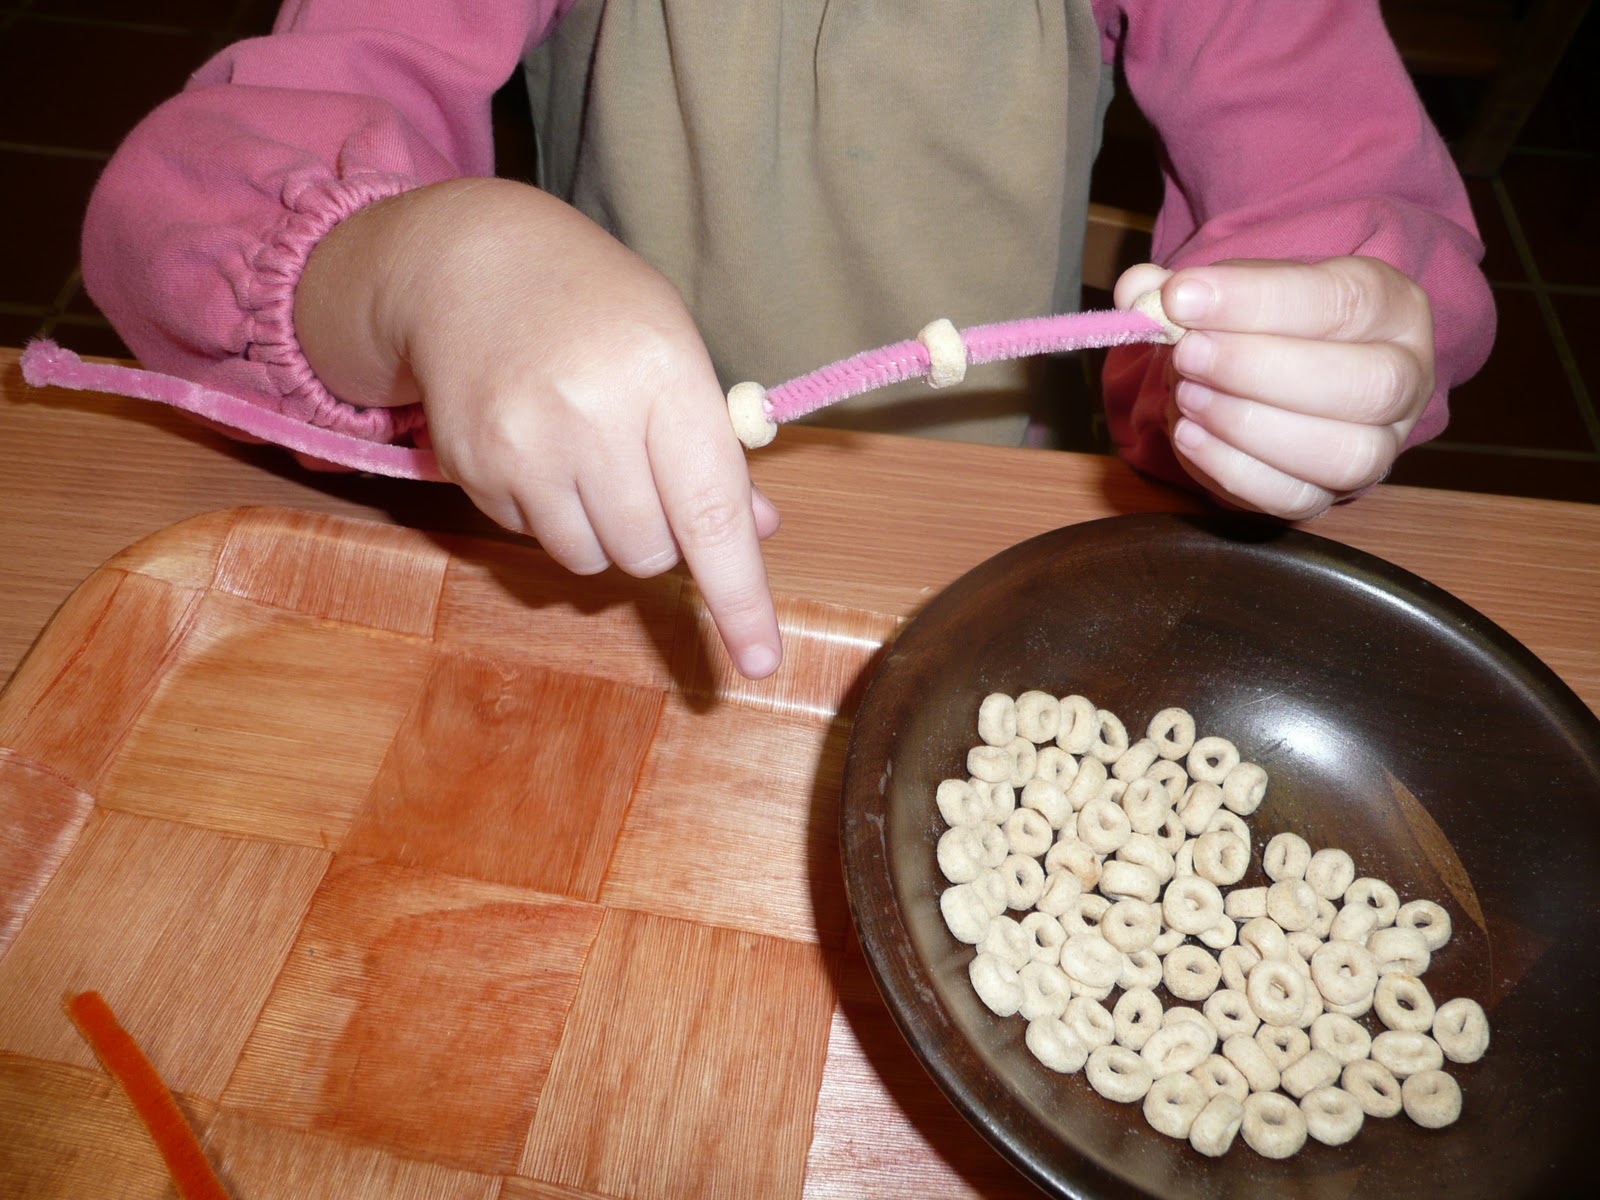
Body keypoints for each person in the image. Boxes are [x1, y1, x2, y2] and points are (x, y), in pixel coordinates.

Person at [79, 1, 1496, 680]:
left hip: (960, 545)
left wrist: (1284, 363)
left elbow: (1347, 197)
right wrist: (423, 272)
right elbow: (188, 202)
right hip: (584, 542)